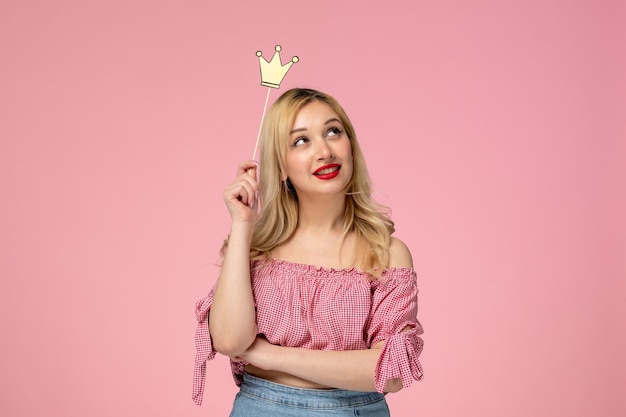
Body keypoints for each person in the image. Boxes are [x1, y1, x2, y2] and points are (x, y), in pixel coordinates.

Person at [193, 88, 424, 416]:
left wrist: (268, 355)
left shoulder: (386, 254)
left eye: (333, 132)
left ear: (351, 146)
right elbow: (229, 341)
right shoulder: (256, 251)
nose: (325, 151)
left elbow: (391, 371)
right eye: (301, 141)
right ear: (281, 164)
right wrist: (243, 225)